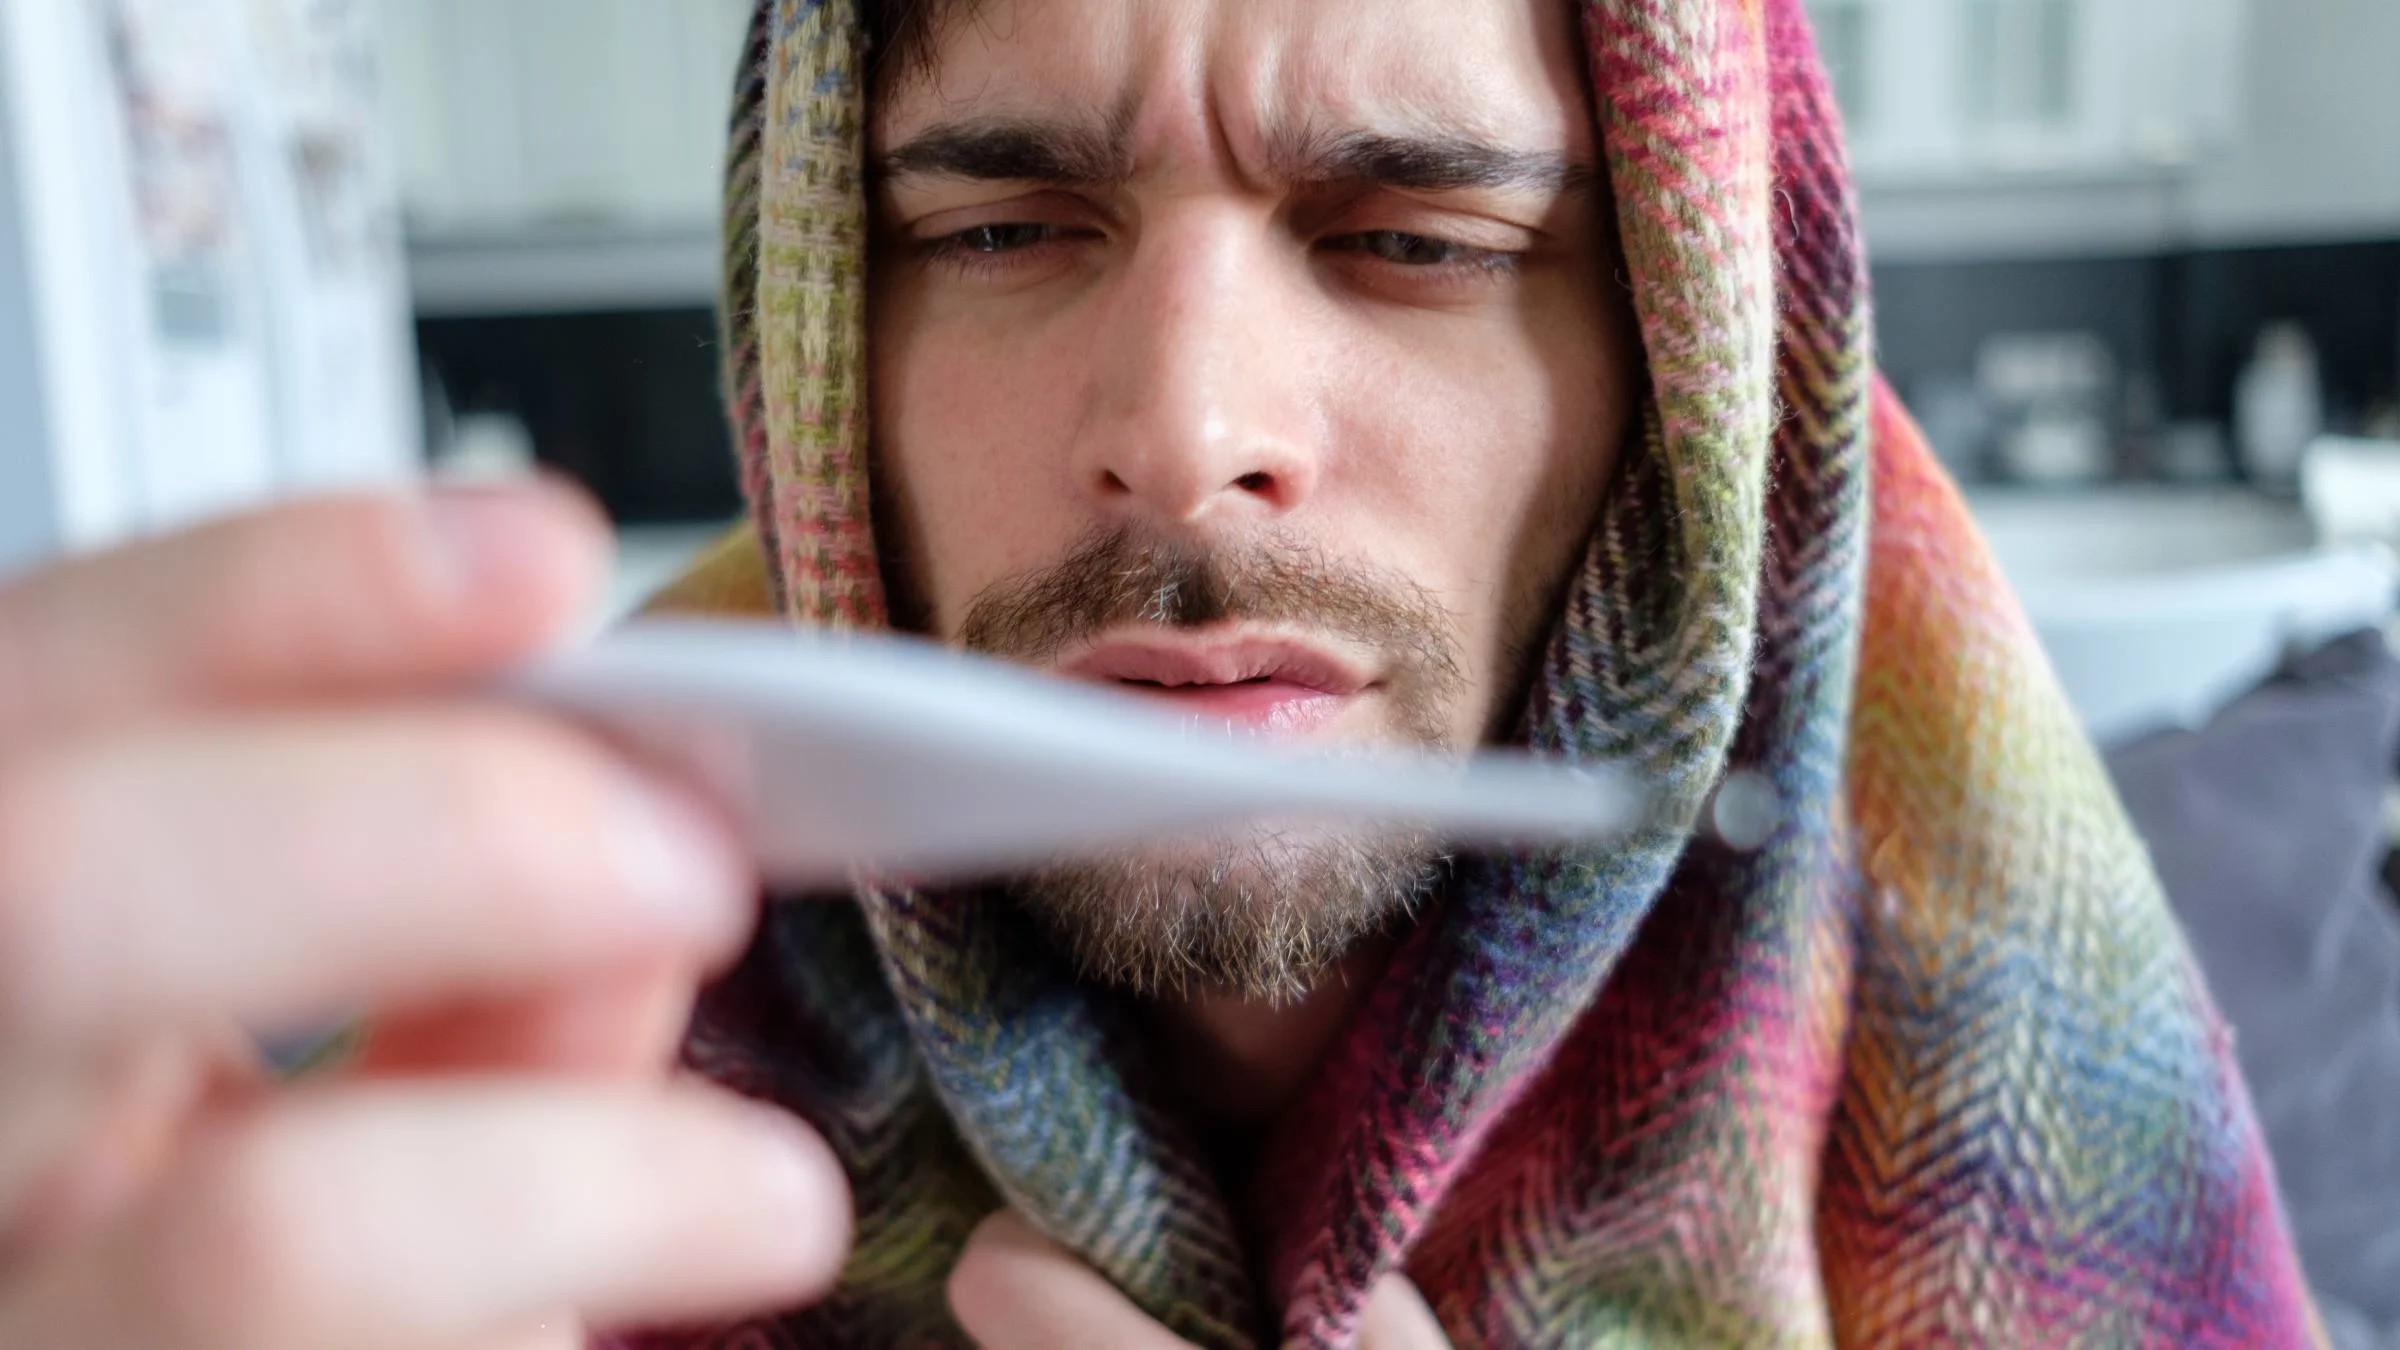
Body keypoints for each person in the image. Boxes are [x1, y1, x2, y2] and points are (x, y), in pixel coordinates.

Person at [0, 0, 2326, 1346]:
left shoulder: (2026, 1103)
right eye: (1000, 227)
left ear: (1683, 397)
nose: (1187, 432)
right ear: (829, 364)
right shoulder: (385, 1130)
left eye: (1418, 236)